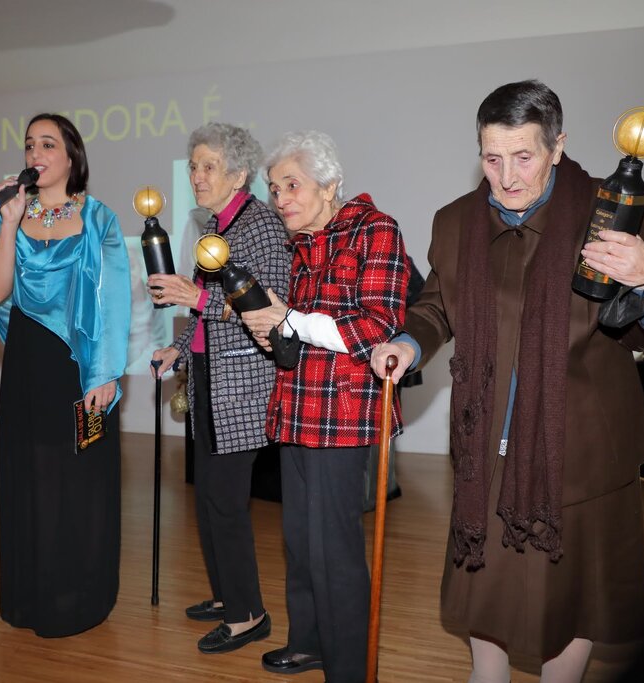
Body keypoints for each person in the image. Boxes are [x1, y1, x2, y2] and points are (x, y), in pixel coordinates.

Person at [370, 80, 644, 682]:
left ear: (557, 146)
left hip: (581, 447)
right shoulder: (456, 222)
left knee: (572, 593)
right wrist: (408, 344)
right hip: (488, 441)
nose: (508, 176)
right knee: (484, 577)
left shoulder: (608, 215)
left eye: (524, 156)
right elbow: (436, 307)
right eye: (492, 159)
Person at [242, 130, 409, 683]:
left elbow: (376, 326)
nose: (280, 197)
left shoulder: (375, 229)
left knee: (333, 549)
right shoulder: (301, 246)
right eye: (274, 189)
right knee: (299, 542)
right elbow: (304, 334)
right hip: (296, 409)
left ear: (330, 184)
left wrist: (290, 320)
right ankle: (309, 642)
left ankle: (350, 667)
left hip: (344, 416)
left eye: (292, 184)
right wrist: (275, 331)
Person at [0, 113, 130, 638]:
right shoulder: (12, 214)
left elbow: (112, 302)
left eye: (47, 144)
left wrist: (104, 374)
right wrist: (9, 221)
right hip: (27, 360)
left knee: (79, 480)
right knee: (31, 476)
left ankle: (80, 596)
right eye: (29, 145)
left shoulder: (98, 218)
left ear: (70, 156)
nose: (35, 154)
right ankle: (33, 594)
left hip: (79, 365)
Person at [149, 122, 290, 655]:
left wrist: (195, 298)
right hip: (210, 378)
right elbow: (205, 316)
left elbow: (269, 308)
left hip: (245, 384)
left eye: (209, 166)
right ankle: (229, 593)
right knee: (209, 498)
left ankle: (247, 615)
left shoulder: (262, 225)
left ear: (239, 173)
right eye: (193, 166)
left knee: (226, 502)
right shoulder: (216, 225)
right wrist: (178, 351)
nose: (197, 176)